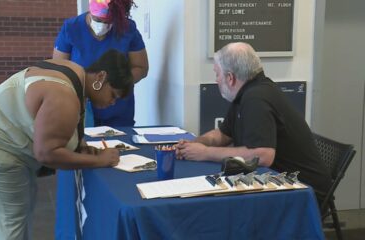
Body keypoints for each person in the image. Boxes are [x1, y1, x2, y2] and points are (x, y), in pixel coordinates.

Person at [0, 49, 133, 240]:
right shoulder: (64, 95)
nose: (112, 103)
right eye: (113, 95)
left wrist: (79, 146)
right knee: (7, 223)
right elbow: (47, 154)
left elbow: (54, 128)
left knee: (19, 210)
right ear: (101, 77)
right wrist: (100, 160)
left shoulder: (75, 72)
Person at [176, 42, 332, 209]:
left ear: (230, 77)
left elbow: (263, 156)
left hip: (303, 190)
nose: (216, 80)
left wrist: (205, 153)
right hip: (278, 180)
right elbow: (223, 134)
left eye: (217, 74)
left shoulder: (257, 98)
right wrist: (196, 144)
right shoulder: (249, 92)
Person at [53, 0, 148, 127]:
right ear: (90, 11)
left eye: (108, 22)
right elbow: (59, 71)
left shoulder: (127, 28)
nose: (102, 25)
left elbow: (141, 67)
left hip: (119, 111)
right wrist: (89, 88)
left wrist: (114, 84)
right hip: (80, 108)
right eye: (97, 20)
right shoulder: (71, 28)